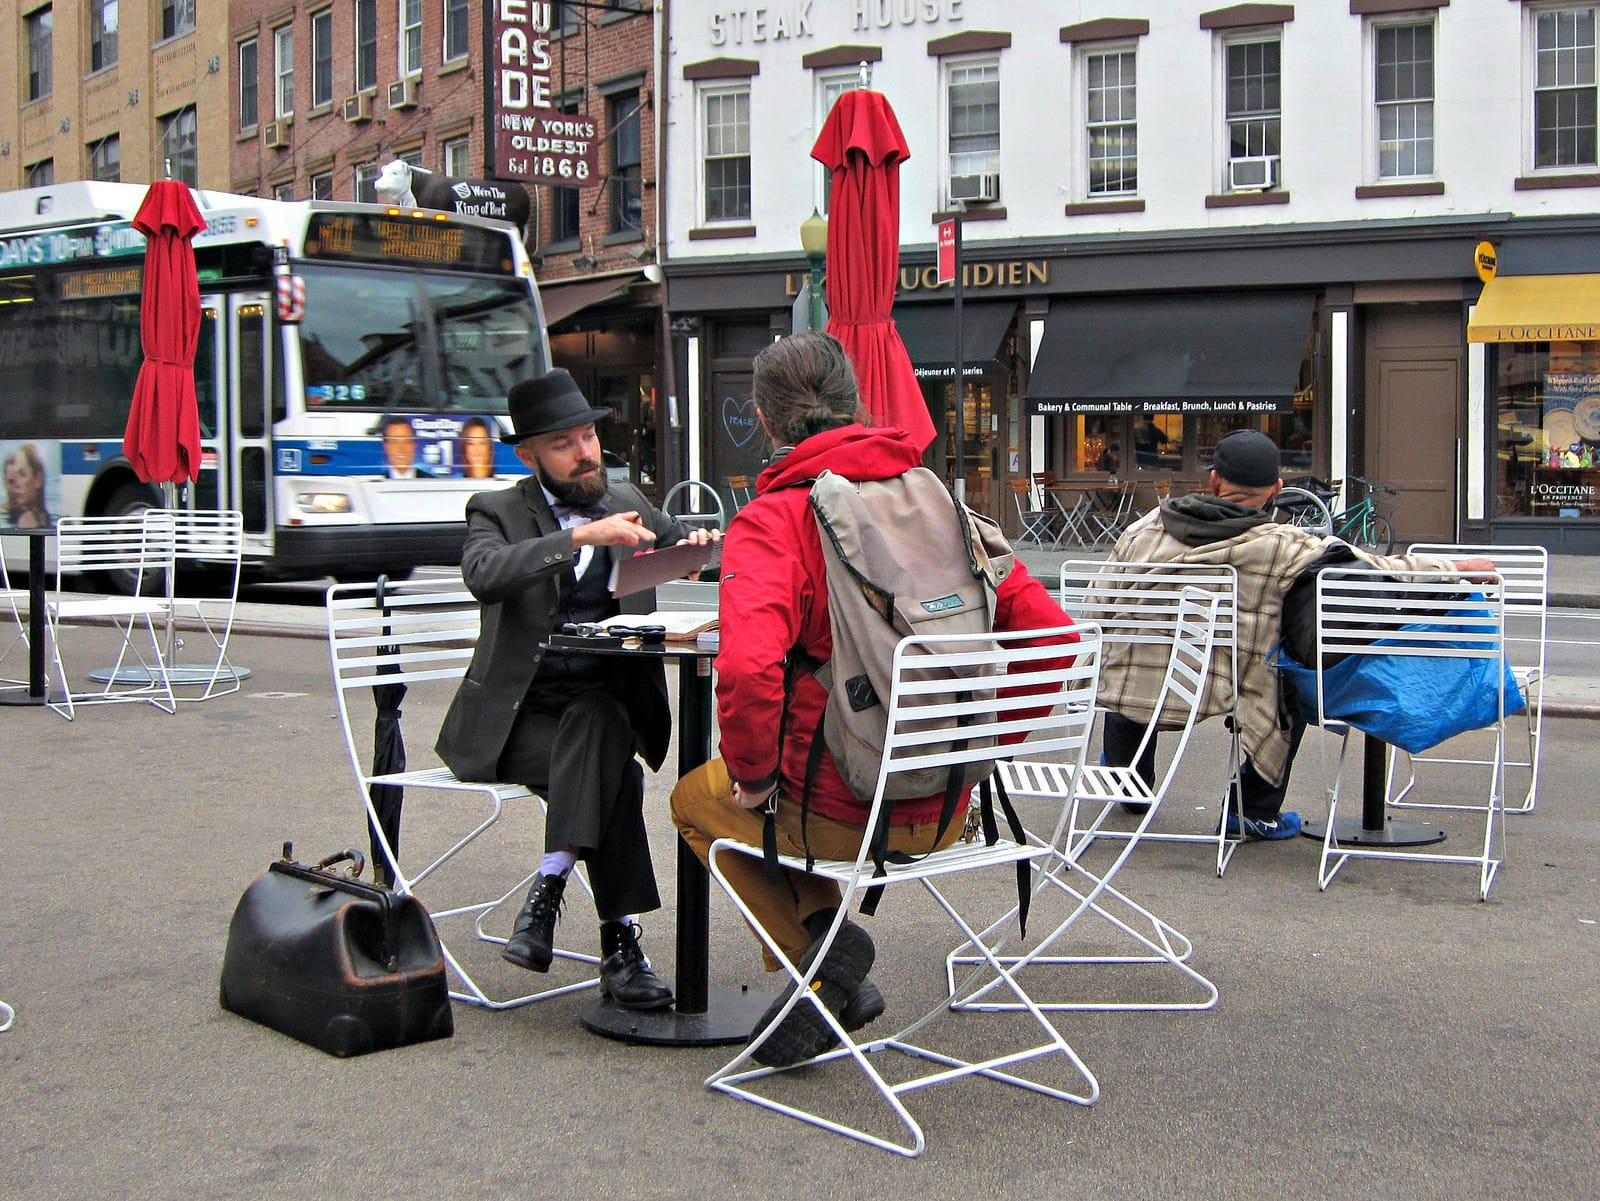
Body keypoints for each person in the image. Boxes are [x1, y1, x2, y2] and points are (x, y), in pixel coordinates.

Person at [669, 331, 1076, 1067]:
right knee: (776, 793)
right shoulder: (941, 503)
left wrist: (755, 778)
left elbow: (749, 670)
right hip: (951, 809)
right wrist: (981, 745)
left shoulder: (776, 519)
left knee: (699, 800)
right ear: (857, 403)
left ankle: (816, 963)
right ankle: (828, 962)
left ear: (763, 419)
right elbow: (1054, 638)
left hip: (845, 813)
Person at [435, 368, 719, 1011]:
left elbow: (682, 546)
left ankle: (548, 889)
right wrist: (579, 537)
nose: (585, 452)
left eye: (588, 436)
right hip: (519, 723)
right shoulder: (497, 511)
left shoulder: (628, 499)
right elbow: (484, 574)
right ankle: (621, 948)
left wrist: (699, 549)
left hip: (601, 711)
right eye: (563, 444)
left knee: (599, 723)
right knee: (612, 769)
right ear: (528, 455)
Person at [1097, 429, 1494, 840]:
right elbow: (1377, 570)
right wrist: (1455, 569)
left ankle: (1128, 781)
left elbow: (1098, 602)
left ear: (1213, 481)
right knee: (1288, 686)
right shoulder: (1283, 546)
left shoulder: (1144, 529)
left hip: (1131, 689)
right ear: (1276, 490)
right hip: (1223, 687)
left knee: (1132, 658)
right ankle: (1251, 811)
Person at [4, 444, 52, 529]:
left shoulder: (29, 519)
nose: (15, 484)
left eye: (22, 474)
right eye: (11, 481)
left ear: (38, 480)